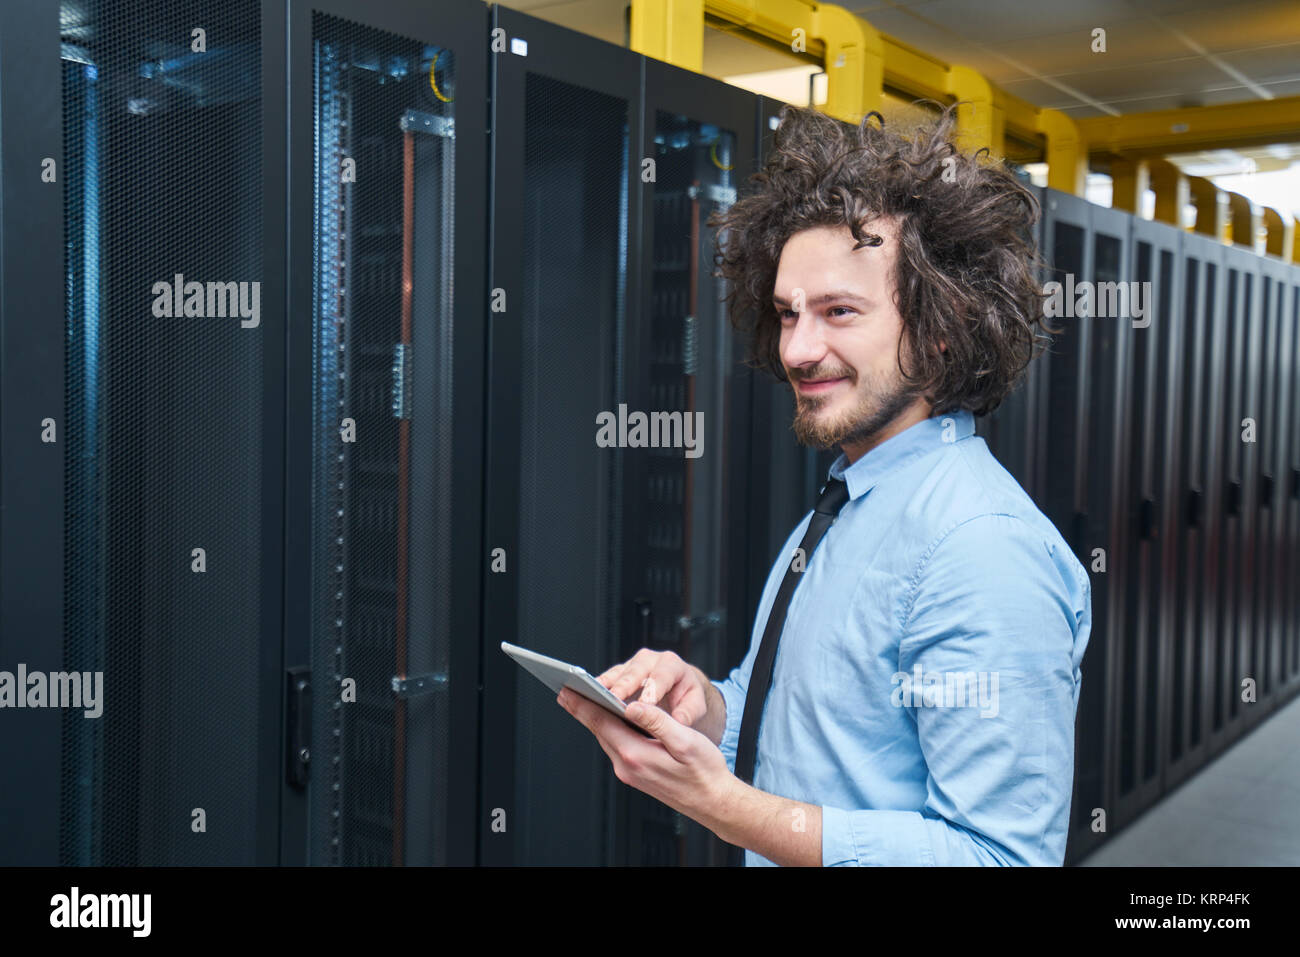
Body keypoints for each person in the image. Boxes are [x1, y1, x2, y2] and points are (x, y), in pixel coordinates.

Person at [557, 102, 1091, 866]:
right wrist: (703, 704)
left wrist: (723, 805)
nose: (800, 350)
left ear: (942, 325)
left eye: (840, 311)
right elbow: (803, 730)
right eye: (786, 314)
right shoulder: (847, 500)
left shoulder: (981, 549)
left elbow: (997, 856)